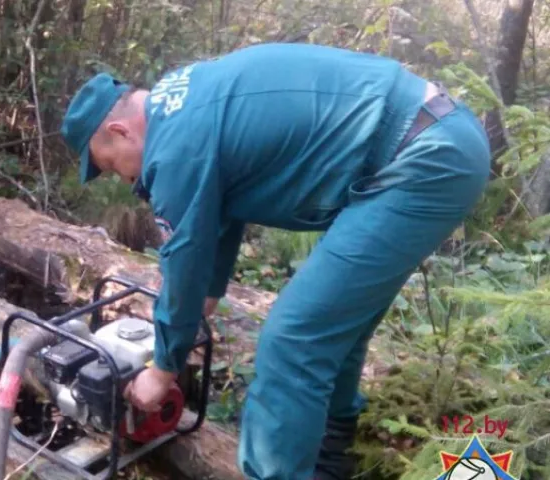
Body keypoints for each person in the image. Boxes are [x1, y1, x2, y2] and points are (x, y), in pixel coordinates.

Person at [59, 42, 490, 480]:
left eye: (113, 166)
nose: (127, 179)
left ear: (120, 130)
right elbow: (219, 215)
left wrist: (163, 369)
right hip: (433, 135)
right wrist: (207, 296)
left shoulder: (173, 147)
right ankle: (329, 460)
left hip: (422, 157)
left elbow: (184, 259)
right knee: (333, 327)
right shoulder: (183, 102)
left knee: (293, 338)